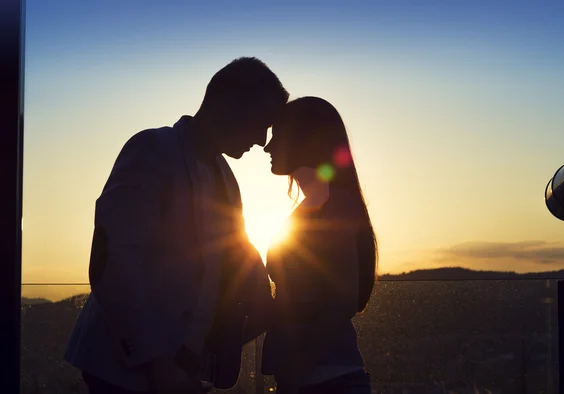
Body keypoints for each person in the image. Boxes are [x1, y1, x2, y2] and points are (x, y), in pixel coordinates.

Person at [64, 57, 287, 394]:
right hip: (121, 371)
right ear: (227, 104)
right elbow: (113, 261)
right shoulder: (151, 150)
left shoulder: (226, 179)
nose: (261, 139)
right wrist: (153, 363)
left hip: (176, 373)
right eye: (260, 122)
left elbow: (231, 260)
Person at [261, 96, 378, 394]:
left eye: (277, 137)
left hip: (325, 382)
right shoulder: (316, 207)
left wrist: (300, 365)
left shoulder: (334, 207)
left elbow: (343, 299)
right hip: (316, 380)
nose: (268, 147)